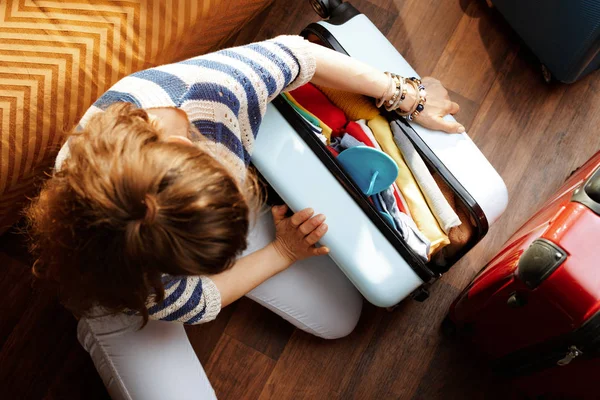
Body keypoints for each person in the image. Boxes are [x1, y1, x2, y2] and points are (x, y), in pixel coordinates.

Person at [26, 35, 462, 399]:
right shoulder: (128, 270)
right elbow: (194, 303)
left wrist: (406, 94)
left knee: (339, 318)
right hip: (122, 292)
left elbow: (300, 53)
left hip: (183, 228)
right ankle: (101, 331)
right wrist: (281, 251)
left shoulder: (210, 90)